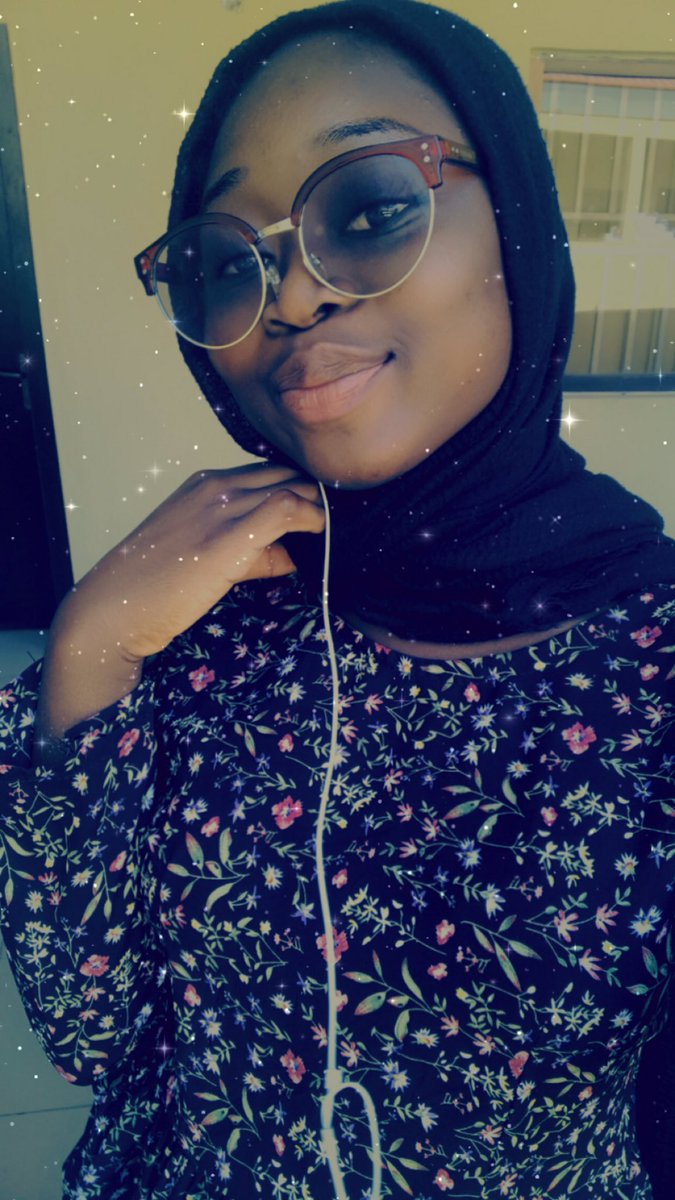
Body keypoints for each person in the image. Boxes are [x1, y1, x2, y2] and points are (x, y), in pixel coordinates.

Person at [1, 0, 674, 1197]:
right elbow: (93, 1036)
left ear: (519, 220)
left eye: (368, 212)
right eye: (228, 262)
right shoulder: (198, 621)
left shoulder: (654, 671)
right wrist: (90, 651)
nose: (293, 300)